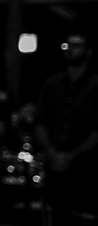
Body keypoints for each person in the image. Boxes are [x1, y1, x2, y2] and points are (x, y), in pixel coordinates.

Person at [35, 33, 98, 211]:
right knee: (50, 216)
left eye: (77, 45)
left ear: (89, 51)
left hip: (85, 168)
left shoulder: (94, 85)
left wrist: (71, 155)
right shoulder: (52, 83)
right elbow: (40, 122)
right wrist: (52, 153)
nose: (71, 49)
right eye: (69, 45)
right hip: (53, 165)